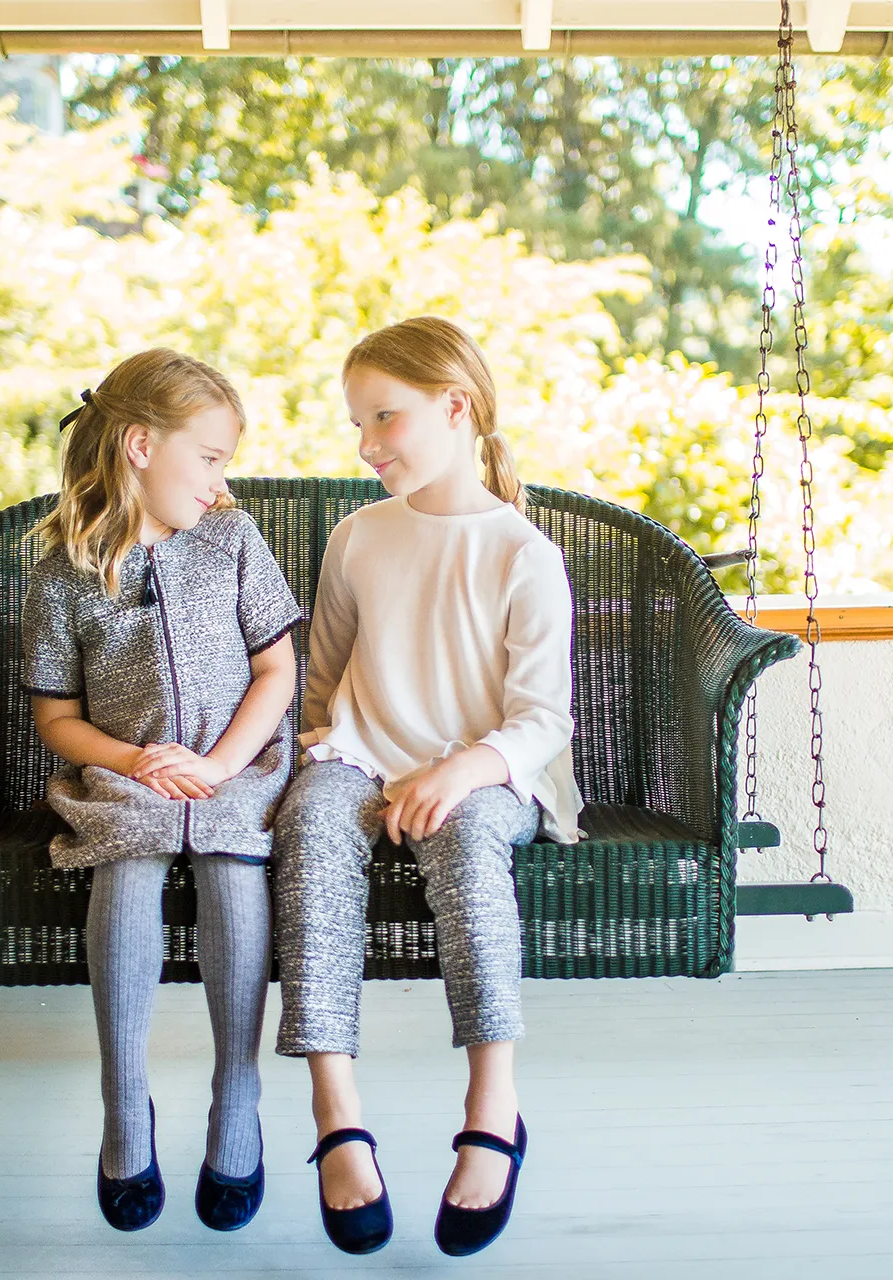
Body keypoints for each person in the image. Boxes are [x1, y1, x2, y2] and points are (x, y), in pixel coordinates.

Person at [273, 316, 582, 1257]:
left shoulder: (522, 552)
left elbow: (541, 720)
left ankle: (495, 1106)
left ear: (456, 408)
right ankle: (337, 1117)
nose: (367, 445)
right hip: (365, 757)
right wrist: (331, 745)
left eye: (385, 418)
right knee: (310, 828)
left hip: (488, 769)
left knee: (465, 839)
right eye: (357, 422)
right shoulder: (358, 536)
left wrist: (460, 768)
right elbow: (319, 678)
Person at [22, 348, 301, 1235]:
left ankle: (236, 1101)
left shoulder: (232, 540)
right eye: (211, 457)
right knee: (129, 872)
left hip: (235, 765)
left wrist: (217, 766)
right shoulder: (65, 570)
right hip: (125, 771)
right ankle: (124, 1107)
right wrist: (137, 761)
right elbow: (57, 719)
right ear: (140, 445)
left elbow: (277, 670)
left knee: (230, 869)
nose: (223, 481)